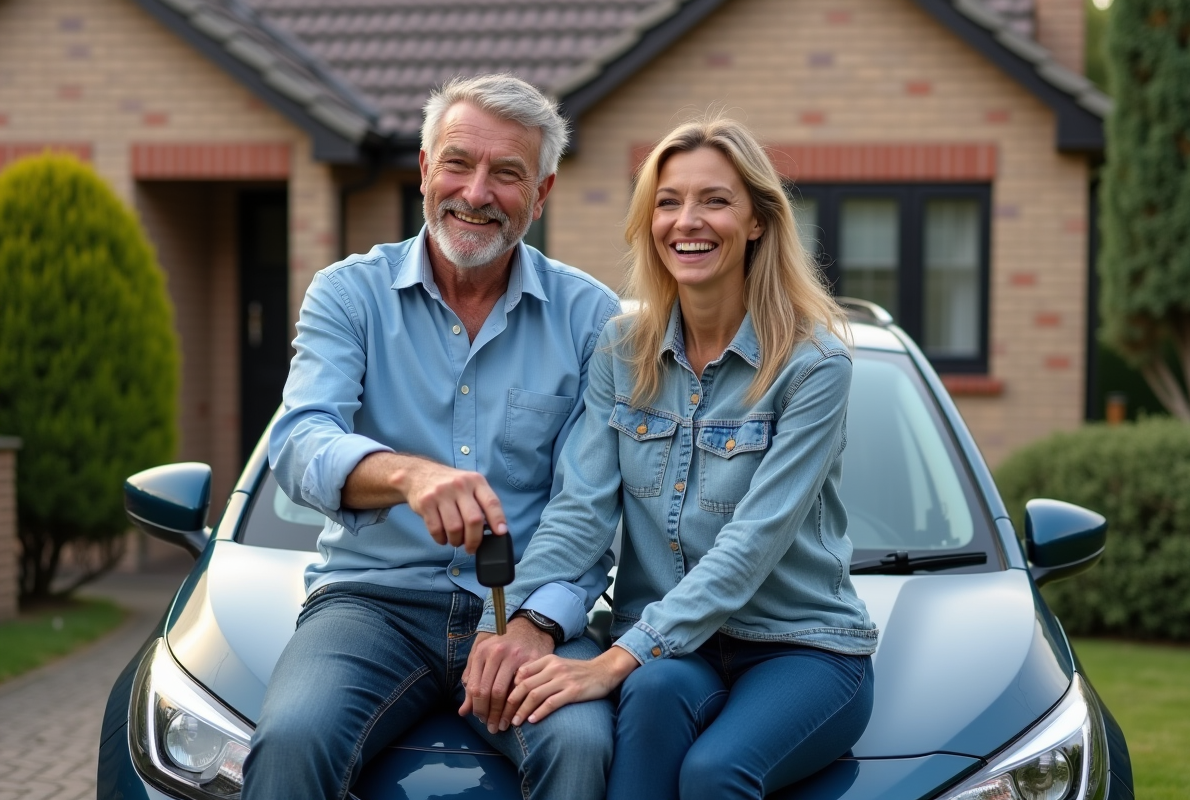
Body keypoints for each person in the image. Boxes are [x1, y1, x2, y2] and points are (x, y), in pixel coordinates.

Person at [243, 74, 620, 800]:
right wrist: (408, 476)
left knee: (580, 747)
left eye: (507, 173)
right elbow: (298, 440)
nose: (475, 192)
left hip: (525, 606)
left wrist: (534, 624)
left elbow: (591, 503)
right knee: (290, 739)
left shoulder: (592, 319)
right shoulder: (347, 293)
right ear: (423, 169)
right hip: (369, 603)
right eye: (457, 163)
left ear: (540, 196)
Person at [479, 117, 879, 800]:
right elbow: (580, 510)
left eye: (714, 201)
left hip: (802, 645)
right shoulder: (619, 351)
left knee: (714, 774)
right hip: (672, 649)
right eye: (668, 201)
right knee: (654, 703)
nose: (687, 221)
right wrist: (523, 623)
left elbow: (752, 543)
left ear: (756, 220)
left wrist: (614, 661)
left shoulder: (815, 367)